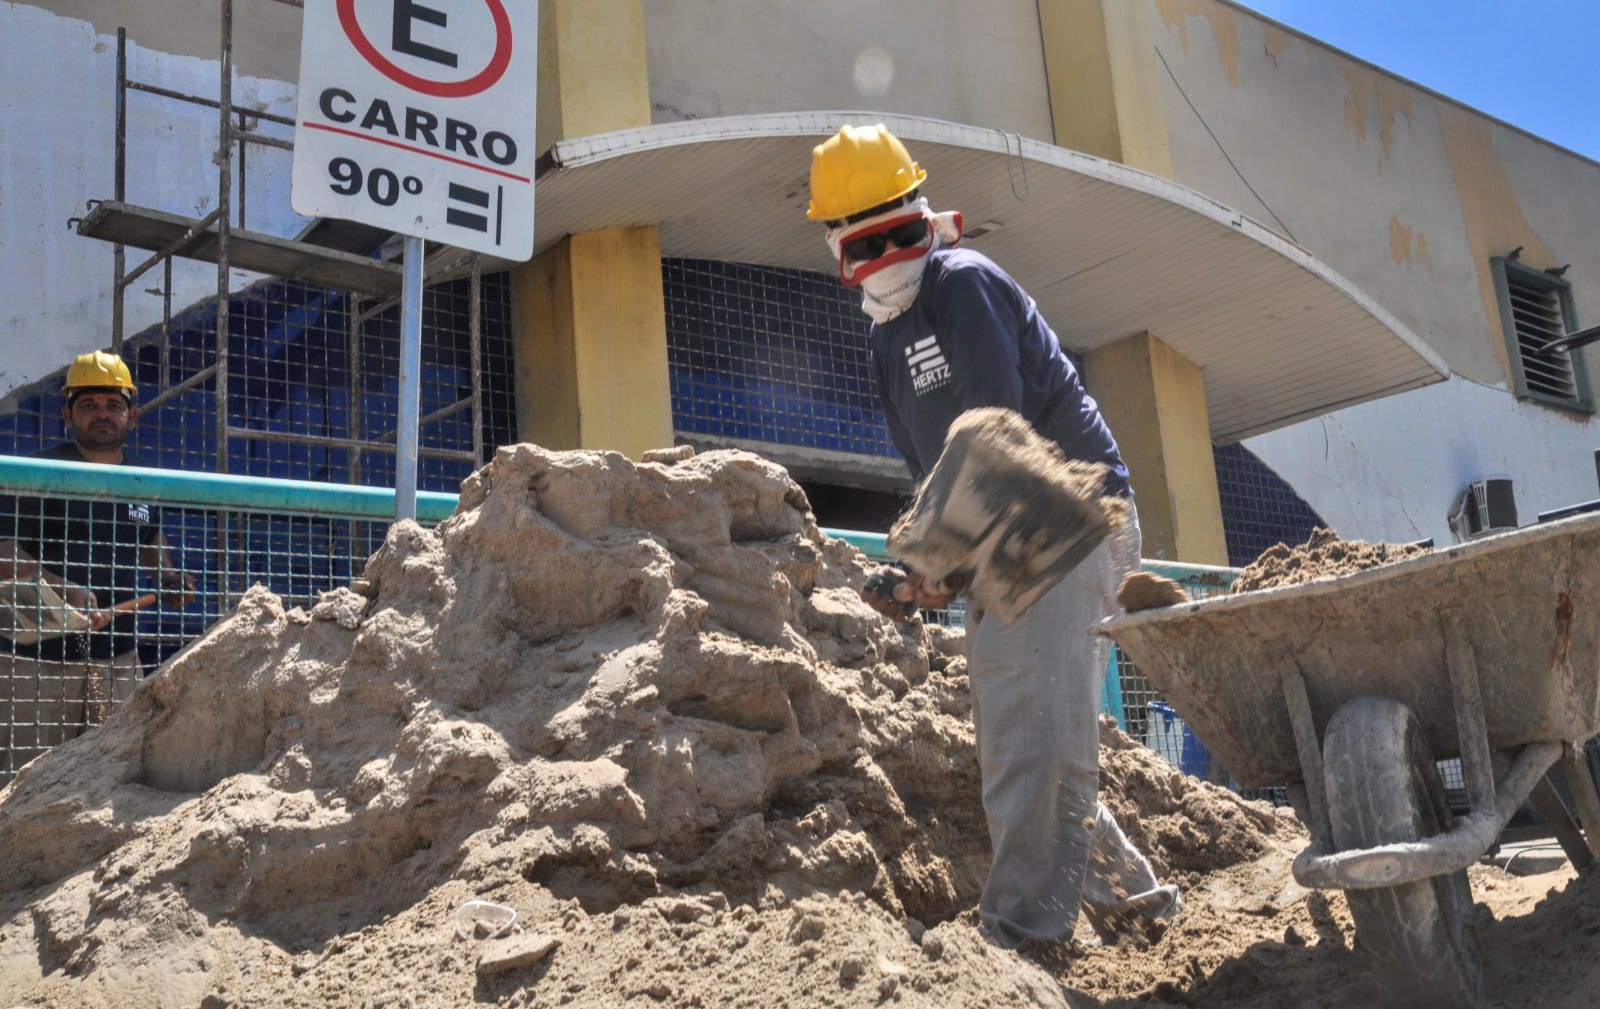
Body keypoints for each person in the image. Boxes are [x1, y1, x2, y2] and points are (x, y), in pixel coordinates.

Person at [807, 124, 1181, 947]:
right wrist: (932, 564)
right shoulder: (886, 334)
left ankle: (1020, 932)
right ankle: (1141, 906)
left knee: (1030, 732)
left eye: (894, 231)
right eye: (866, 240)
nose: (882, 253)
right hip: (1005, 528)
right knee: (1028, 723)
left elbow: (996, 434)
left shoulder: (961, 282)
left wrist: (930, 561)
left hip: (1067, 512)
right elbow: (932, 462)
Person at [0, 350, 195, 778]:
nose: (102, 415)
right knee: (25, 783)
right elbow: (3, 552)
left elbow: (147, 534)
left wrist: (165, 575)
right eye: (88, 405)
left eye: (113, 405)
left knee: (111, 782)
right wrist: (61, 588)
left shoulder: (142, 478)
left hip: (118, 664)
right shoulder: (38, 473)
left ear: (133, 415)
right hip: (36, 665)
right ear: (67, 415)